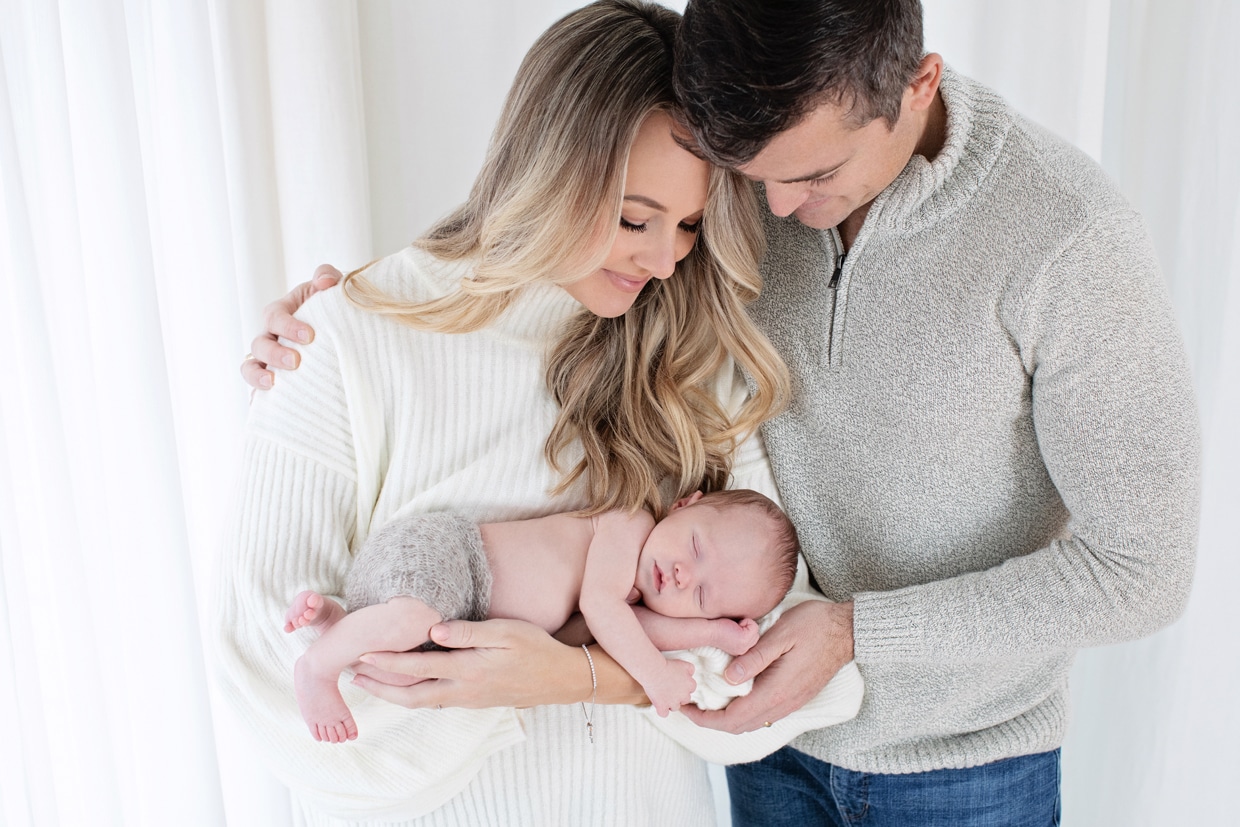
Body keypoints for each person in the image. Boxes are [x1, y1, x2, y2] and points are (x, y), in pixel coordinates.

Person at [217, 2, 854, 824]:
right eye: (634, 218)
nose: (664, 260)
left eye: (691, 224)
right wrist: (502, 695)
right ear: (549, 170)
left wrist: (571, 675)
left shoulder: (692, 358)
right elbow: (264, 665)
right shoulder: (350, 336)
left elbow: (785, 659)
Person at [652, 1, 1200, 824]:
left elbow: (1143, 571)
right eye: (755, 176)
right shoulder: (755, 181)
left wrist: (856, 632)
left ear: (919, 85)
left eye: (813, 176)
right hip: (771, 746)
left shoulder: (1070, 239)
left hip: (970, 771)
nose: (772, 210)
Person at [285, 488, 799, 742]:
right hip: (451, 557)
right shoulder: (628, 524)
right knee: (412, 622)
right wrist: (656, 675)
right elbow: (603, 612)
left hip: (452, 602)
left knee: (397, 664)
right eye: (695, 545)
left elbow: (628, 628)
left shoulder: (630, 601)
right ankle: (316, 667)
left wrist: (711, 633)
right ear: (686, 503)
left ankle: (336, 619)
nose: (686, 573)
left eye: (704, 595)